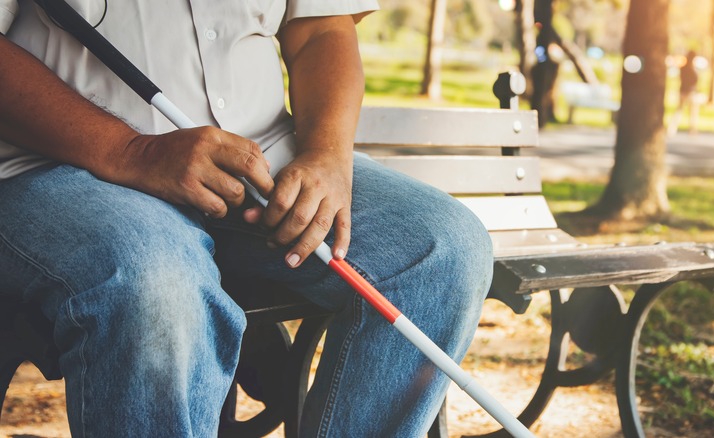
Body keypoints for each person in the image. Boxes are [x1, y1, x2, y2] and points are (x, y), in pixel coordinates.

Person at [0, 1, 493, 436]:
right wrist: (133, 151)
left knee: (442, 249)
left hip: (264, 159)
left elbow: (323, 29)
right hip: (69, 167)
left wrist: (326, 154)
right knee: (154, 279)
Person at [668, 50, 700, 136]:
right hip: (690, 92)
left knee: (679, 110)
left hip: (683, 91)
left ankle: (672, 129)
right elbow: (695, 80)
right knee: (692, 113)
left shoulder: (683, 68)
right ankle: (692, 131)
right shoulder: (692, 69)